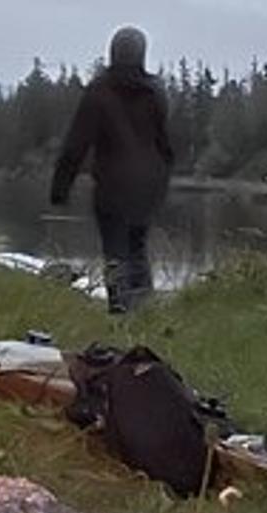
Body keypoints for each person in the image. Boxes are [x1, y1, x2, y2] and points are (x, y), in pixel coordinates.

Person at [50, 27, 175, 313]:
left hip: (113, 185)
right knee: (138, 250)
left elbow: (76, 144)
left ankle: (120, 313)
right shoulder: (156, 92)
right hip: (149, 185)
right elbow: (166, 143)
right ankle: (143, 312)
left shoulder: (100, 91)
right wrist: (162, 181)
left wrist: (60, 188)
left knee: (116, 253)